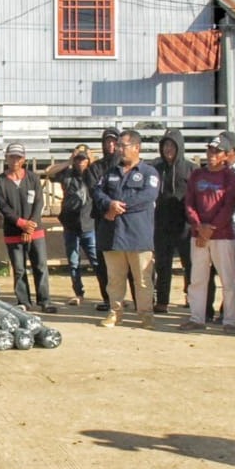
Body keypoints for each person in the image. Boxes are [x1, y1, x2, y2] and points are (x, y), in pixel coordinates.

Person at [93, 129, 159, 329]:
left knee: (143, 280)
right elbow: (97, 192)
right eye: (118, 146)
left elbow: (147, 196)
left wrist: (119, 206)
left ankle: (146, 315)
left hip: (138, 235)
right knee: (115, 279)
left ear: (137, 147)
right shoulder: (111, 172)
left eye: (123, 146)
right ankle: (115, 312)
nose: (119, 149)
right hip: (113, 234)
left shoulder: (149, 172)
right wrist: (109, 204)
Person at [180, 135, 235, 332]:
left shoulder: (229, 176)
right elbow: (189, 203)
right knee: (197, 277)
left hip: (222, 235)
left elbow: (228, 206)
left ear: (226, 155)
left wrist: (211, 228)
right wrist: (198, 227)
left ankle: (229, 320)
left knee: (227, 278)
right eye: (210, 150)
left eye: (217, 152)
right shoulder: (197, 174)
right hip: (198, 234)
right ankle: (197, 317)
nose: (212, 155)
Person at [0, 143, 54, 313]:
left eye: (18, 157)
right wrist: (21, 224)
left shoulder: (33, 178)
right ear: (6, 158)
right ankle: (24, 301)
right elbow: (3, 207)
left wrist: (30, 226)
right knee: (19, 269)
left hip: (35, 230)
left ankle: (45, 301)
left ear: (24, 159)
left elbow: (39, 202)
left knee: (40, 266)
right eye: (11, 156)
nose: (15, 160)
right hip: (13, 231)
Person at [207, 131, 235, 322]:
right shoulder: (211, 170)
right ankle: (218, 309)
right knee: (222, 271)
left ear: (232, 150)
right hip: (217, 229)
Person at [53, 145, 102, 307]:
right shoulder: (67, 174)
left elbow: (106, 170)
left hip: (89, 224)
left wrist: (93, 161)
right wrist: (68, 161)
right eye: (78, 159)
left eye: (84, 159)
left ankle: (108, 295)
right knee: (73, 263)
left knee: (97, 262)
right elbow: (49, 171)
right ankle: (78, 293)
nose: (81, 162)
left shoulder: (94, 174)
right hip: (70, 225)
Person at [152, 129, 192, 314]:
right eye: (165, 145)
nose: (168, 149)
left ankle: (191, 297)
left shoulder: (191, 169)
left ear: (179, 147)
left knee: (189, 264)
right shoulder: (155, 168)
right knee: (162, 264)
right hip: (161, 224)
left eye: (172, 145)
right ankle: (162, 301)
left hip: (185, 225)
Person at [85, 128, 121, 311]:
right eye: (107, 141)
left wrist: (116, 208)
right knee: (103, 261)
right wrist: (108, 208)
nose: (111, 145)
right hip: (102, 219)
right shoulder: (95, 168)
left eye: (114, 141)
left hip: (124, 218)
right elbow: (94, 190)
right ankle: (108, 299)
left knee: (130, 259)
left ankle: (139, 301)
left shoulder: (125, 164)